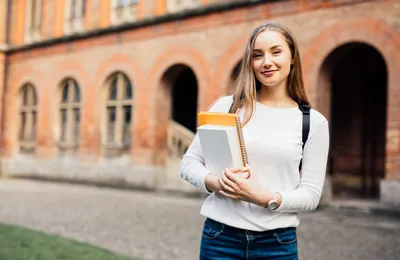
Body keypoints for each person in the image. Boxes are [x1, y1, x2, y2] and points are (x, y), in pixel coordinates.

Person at [180, 21, 330, 260]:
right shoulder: (227, 108)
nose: (266, 62)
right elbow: (188, 164)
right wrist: (217, 183)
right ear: (250, 62)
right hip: (220, 239)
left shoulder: (313, 122)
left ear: (292, 57)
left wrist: (264, 198)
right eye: (257, 55)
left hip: (277, 245)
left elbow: (311, 195)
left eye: (276, 52)